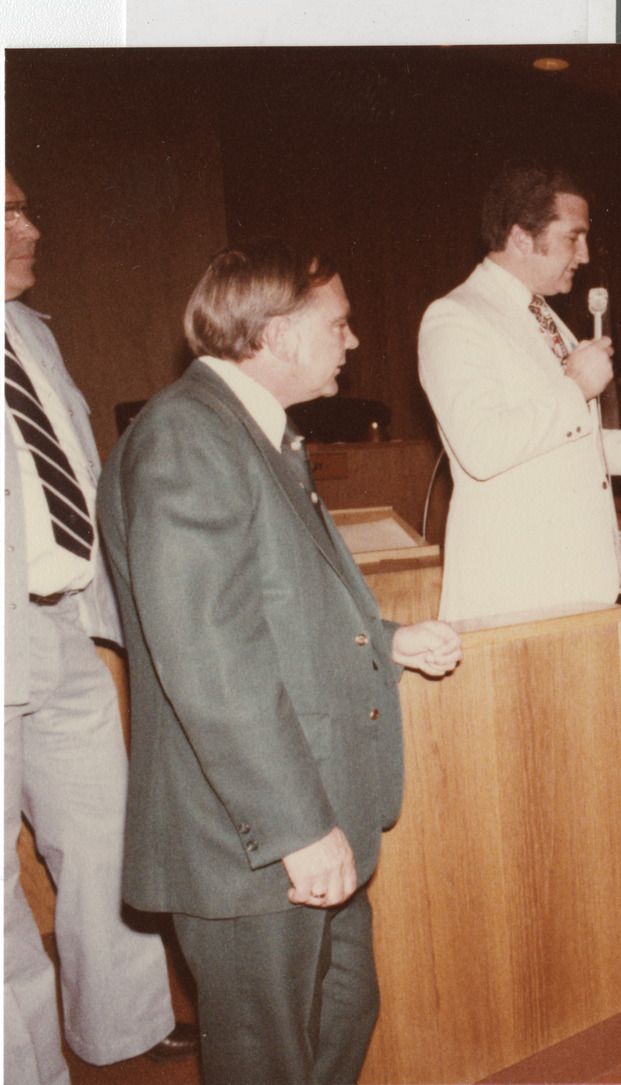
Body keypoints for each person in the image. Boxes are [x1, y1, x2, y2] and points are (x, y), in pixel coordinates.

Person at [96, 238, 462, 1085]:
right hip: (248, 832)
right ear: (274, 333)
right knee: (267, 1053)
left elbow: (279, 598)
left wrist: (387, 638)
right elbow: (210, 657)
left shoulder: (251, 433)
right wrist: (296, 826)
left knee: (340, 1006)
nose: (354, 340)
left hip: (291, 802)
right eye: (338, 322)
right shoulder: (190, 439)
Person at [418, 165, 621, 938]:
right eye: (573, 236)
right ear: (520, 235)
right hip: (518, 587)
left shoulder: (550, 321)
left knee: (588, 759)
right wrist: (573, 385)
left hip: (578, 579)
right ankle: (536, 925)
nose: (584, 253)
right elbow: (482, 446)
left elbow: (566, 446)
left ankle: (600, 896)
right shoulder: (457, 319)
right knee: (525, 776)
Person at [4, 170, 197, 1085]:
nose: (31, 226)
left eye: (26, 203)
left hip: (61, 626)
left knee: (101, 834)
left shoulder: (31, 335)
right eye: (5, 210)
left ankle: (123, 1024)